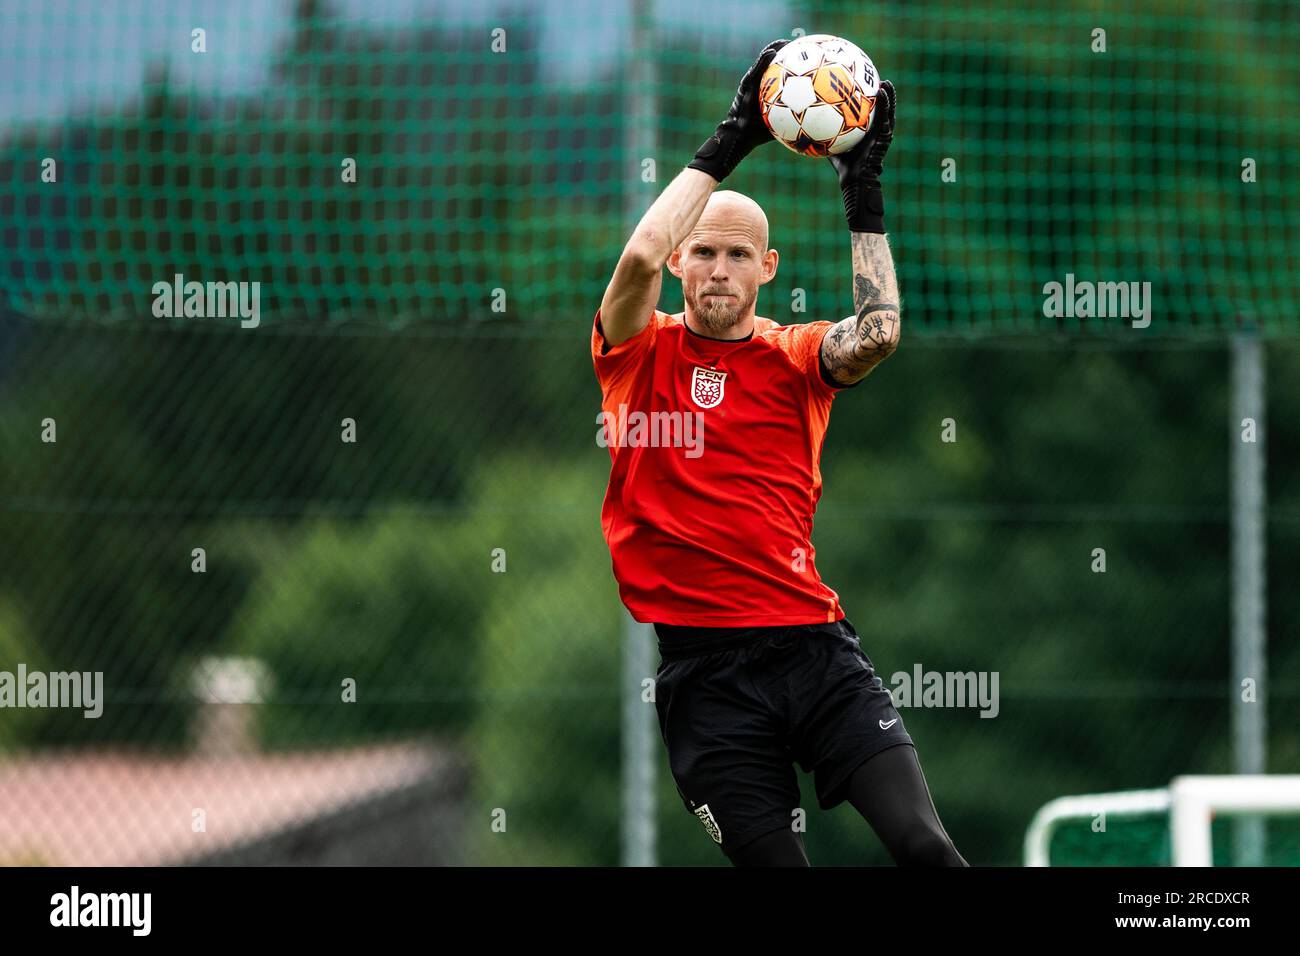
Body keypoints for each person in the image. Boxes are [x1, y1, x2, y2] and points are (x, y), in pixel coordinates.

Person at [592, 39, 967, 867]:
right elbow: (636, 259)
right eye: (704, 253)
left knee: (925, 846)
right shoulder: (635, 351)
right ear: (684, 263)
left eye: (737, 255)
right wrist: (733, 136)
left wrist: (860, 191)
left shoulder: (795, 357)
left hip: (813, 650)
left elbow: (878, 333)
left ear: (767, 268)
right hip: (704, 678)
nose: (717, 268)